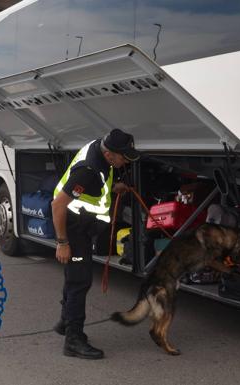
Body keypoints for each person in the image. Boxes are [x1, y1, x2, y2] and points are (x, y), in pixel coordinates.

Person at [51, 128, 140, 359]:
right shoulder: (88, 171)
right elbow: (58, 205)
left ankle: (64, 321)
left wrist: (112, 188)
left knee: (74, 276)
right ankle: (73, 339)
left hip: (81, 222)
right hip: (72, 226)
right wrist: (62, 242)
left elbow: (96, 188)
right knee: (80, 281)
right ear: (110, 154)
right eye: (123, 157)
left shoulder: (100, 150)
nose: (125, 161)